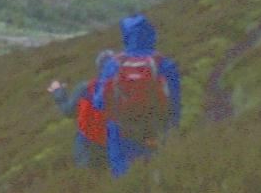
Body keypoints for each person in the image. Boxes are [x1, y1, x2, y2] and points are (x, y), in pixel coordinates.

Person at [63, 14, 184, 178]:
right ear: (151, 34)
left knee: (123, 175)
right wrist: (172, 125)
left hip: (121, 130)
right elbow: (175, 101)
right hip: (154, 127)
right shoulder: (164, 63)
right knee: (154, 168)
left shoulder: (114, 63)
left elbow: (99, 103)